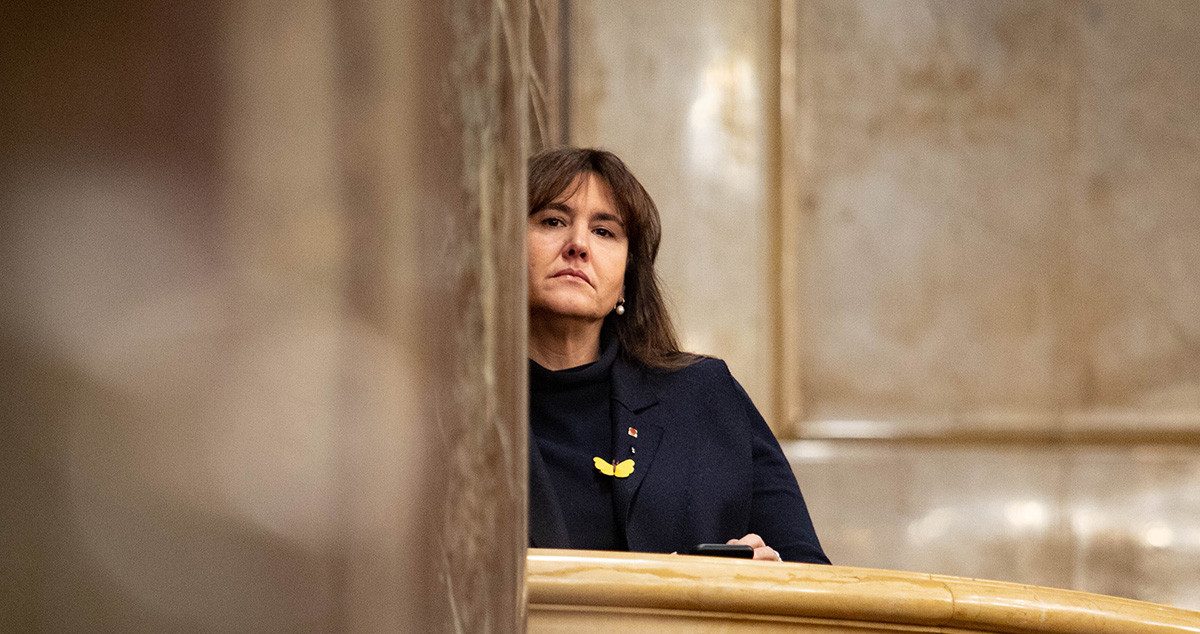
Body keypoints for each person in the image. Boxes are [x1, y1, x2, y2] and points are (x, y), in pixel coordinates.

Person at [526, 147, 828, 564]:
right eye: (553, 221)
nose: (577, 244)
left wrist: (766, 581)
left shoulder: (706, 396)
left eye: (604, 232)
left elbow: (811, 575)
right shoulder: (449, 416)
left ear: (628, 278)